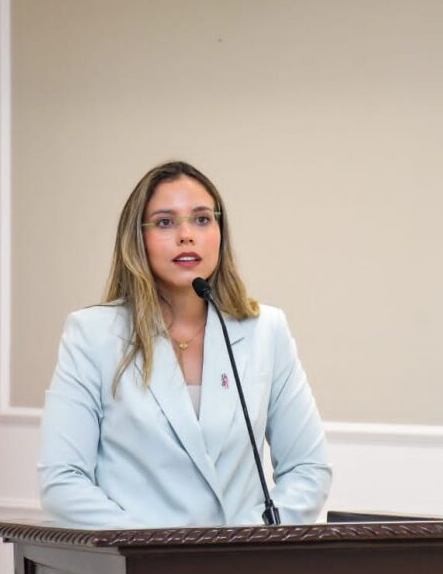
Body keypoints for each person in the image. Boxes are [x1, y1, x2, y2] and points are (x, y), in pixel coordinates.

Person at [37, 161, 331, 529]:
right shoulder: (92, 334)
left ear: (220, 232)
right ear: (137, 239)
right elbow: (62, 482)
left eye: (202, 219)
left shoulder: (265, 330)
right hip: (140, 572)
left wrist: (250, 544)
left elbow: (308, 468)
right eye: (165, 222)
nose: (186, 235)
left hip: (240, 569)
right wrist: (155, 549)